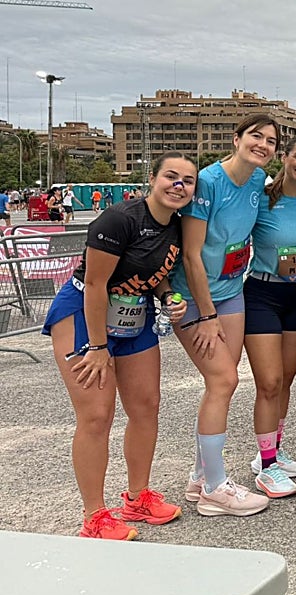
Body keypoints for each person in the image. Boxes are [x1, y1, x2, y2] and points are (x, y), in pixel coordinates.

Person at [46, 152, 194, 539]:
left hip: (133, 316)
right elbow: (95, 285)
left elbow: (154, 275)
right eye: (171, 177)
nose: (179, 186)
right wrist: (97, 348)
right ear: (153, 178)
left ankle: (138, 497)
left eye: (188, 181)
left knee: (146, 406)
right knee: (97, 415)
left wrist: (167, 296)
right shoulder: (119, 219)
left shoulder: (178, 226)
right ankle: (94, 516)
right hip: (85, 312)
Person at [174, 114, 276, 517]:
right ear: (236, 139)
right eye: (256, 136)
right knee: (223, 379)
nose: (263, 145)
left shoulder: (256, 181)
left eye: (270, 140)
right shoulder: (208, 182)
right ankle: (215, 488)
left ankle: (200, 474)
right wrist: (208, 314)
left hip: (233, 291)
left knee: (223, 382)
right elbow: (191, 253)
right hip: (197, 298)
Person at [242, 136, 296, 498]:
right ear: (285, 157)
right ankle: (267, 465)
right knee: (269, 382)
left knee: (286, 379)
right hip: (264, 293)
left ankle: (272, 451)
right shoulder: (261, 198)